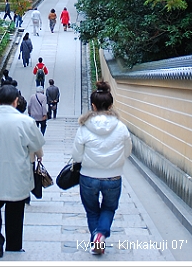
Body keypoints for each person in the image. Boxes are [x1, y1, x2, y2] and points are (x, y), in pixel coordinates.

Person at [0, 84, 45, 258]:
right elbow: (37, 144)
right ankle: (14, 246)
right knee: (15, 211)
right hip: (18, 173)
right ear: (16, 101)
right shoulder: (27, 122)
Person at [71, 80, 132, 255]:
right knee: (108, 208)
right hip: (113, 177)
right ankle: (100, 235)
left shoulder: (84, 127)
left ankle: (96, 239)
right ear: (111, 105)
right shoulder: (121, 127)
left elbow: (76, 155)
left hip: (89, 176)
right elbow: (127, 151)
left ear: (93, 106)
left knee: (92, 210)